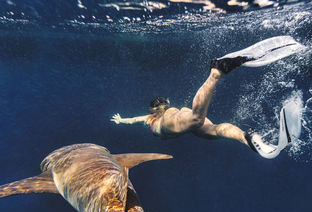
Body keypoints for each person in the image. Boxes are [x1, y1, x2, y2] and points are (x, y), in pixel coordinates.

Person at [111, 57, 293, 159]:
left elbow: (134, 120)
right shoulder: (168, 112)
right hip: (182, 123)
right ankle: (247, 138)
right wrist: (122, 120)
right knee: (215, 131)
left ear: (154, 109)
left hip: (172, 125)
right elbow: (133, 120)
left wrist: (121, 121)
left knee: (197, 118)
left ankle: (215, 73)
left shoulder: (155, 118)